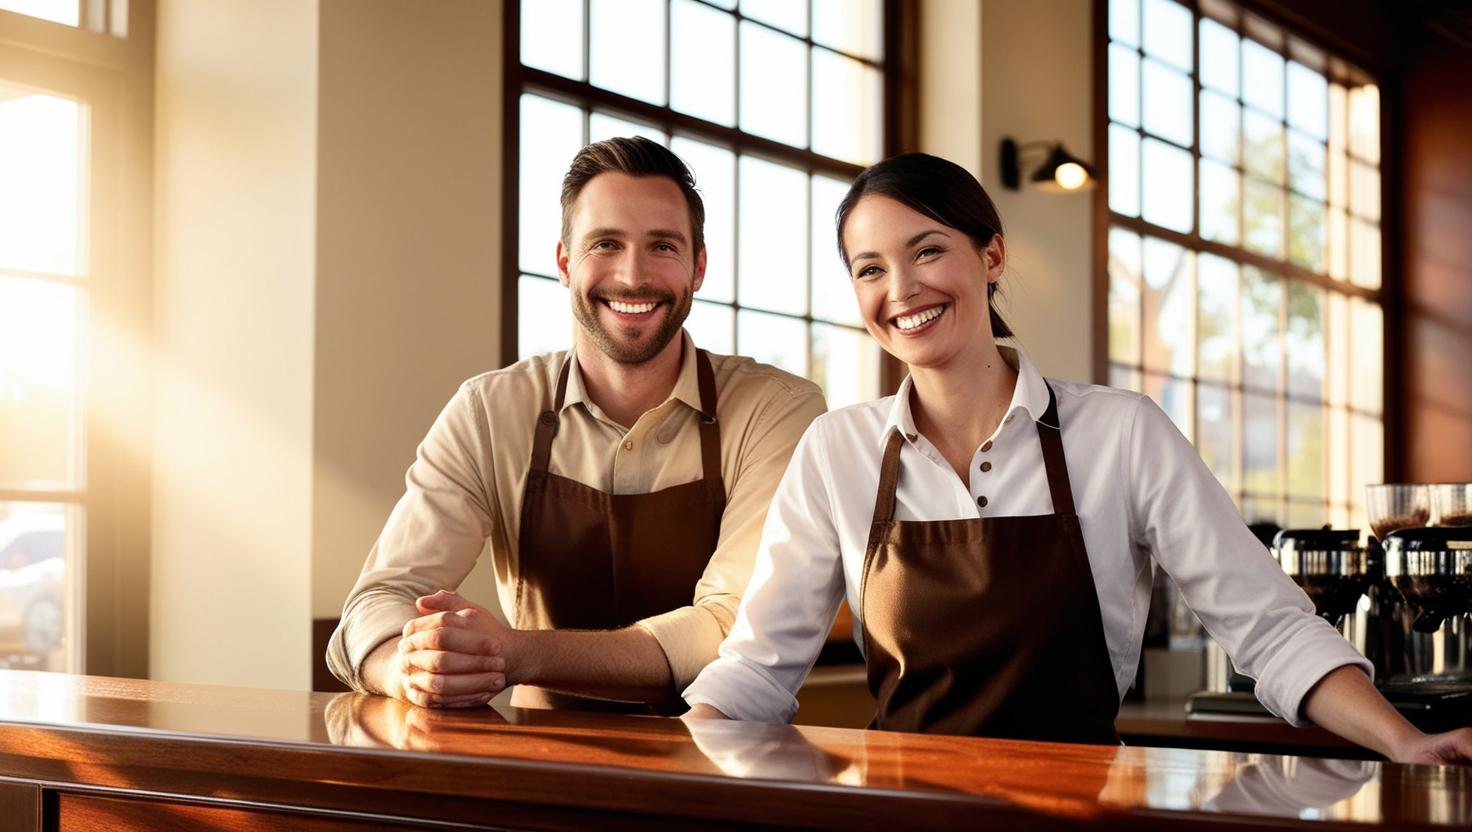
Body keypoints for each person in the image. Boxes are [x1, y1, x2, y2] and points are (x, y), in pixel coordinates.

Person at [682, 152, 1472, 764]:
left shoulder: (1121, 434)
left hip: (1083, 807)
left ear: (992, 256)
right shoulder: (837, 451)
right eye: (870, 269)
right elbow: (759, 666)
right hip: (905, 814)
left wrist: (1406, 742)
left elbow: (1269, 628)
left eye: (928, 251)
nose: (902, 288)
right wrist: (669, 756)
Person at [327, 137, 826, 713]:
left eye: (662, 246)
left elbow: (730, 626)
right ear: (565, 263)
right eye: (605, 244)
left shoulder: (776, 409)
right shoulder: (489, 411)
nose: (633, 275)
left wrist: (513, 652)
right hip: (536, 753)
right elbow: (378, 602)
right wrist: (409, 667)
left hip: (716, 753)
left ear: (698, 268)